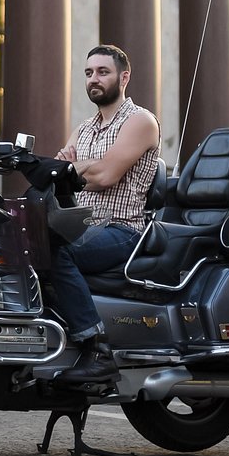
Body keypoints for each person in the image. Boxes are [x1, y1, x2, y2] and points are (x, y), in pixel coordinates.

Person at [49, 45, 160, 384]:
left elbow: (105, 176)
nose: (94, 79)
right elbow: (59, 176)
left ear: (123, 77)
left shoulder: (140, 121)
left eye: (102, 72)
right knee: (27, 242)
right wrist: (73, 169)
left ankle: (96, 348)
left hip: (122, 229)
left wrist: (75, 166)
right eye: (88, 73)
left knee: (54, 251)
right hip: (83, 225)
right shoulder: (84, 128)